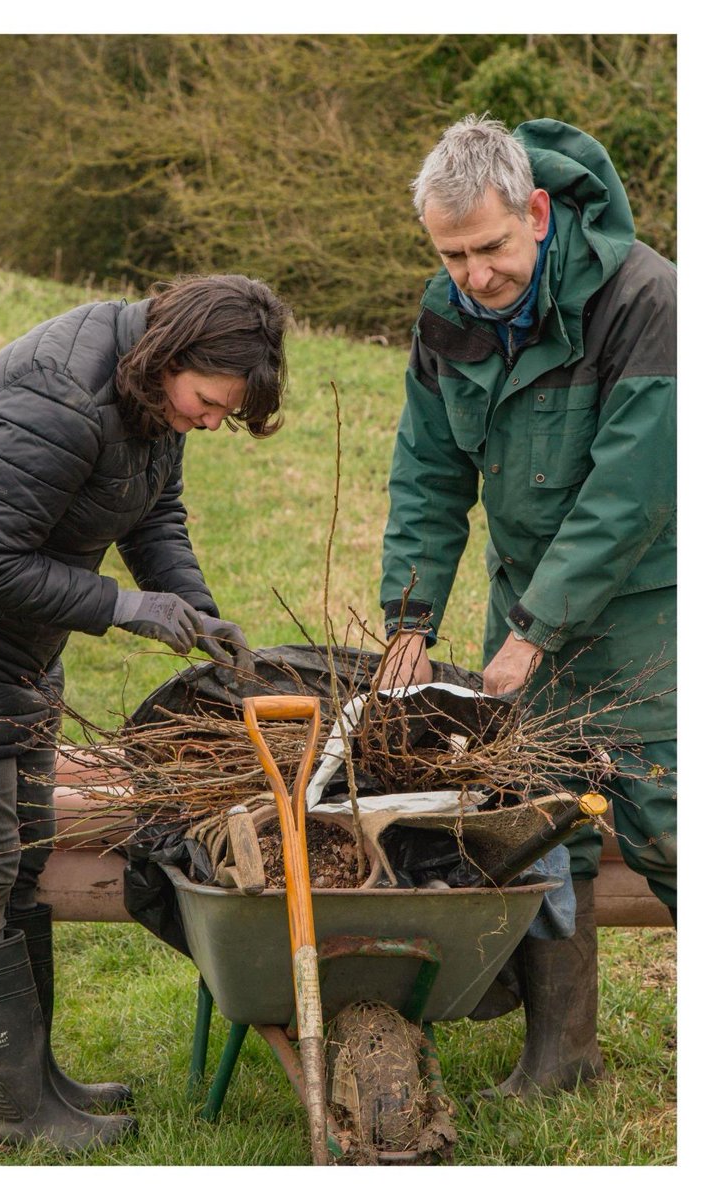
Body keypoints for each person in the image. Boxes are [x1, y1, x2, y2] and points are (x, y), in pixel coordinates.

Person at [0, 273, 290, 1149]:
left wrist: (195, 612)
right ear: (172, 355)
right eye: (207, 403)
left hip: (18, 652)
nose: (207, 422)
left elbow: (153, 512)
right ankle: (5, 1109)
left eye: (221, 414)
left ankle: (35, 1081)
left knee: (20, 866)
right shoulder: (59, 398)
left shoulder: (147, 396)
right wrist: (128, 607)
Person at [378, 115, 676, 1098]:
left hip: (651, 611)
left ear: (538, 213)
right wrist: (410, 622)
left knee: (671, 822)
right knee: (543, 823)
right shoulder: (445, 310)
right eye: (452, 254)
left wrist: (533, 634)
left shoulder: (645, 298)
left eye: (493, 248)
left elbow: (630, 496)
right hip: (524, 607)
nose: (475, 274)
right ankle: (563, 1057)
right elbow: (426, 476)